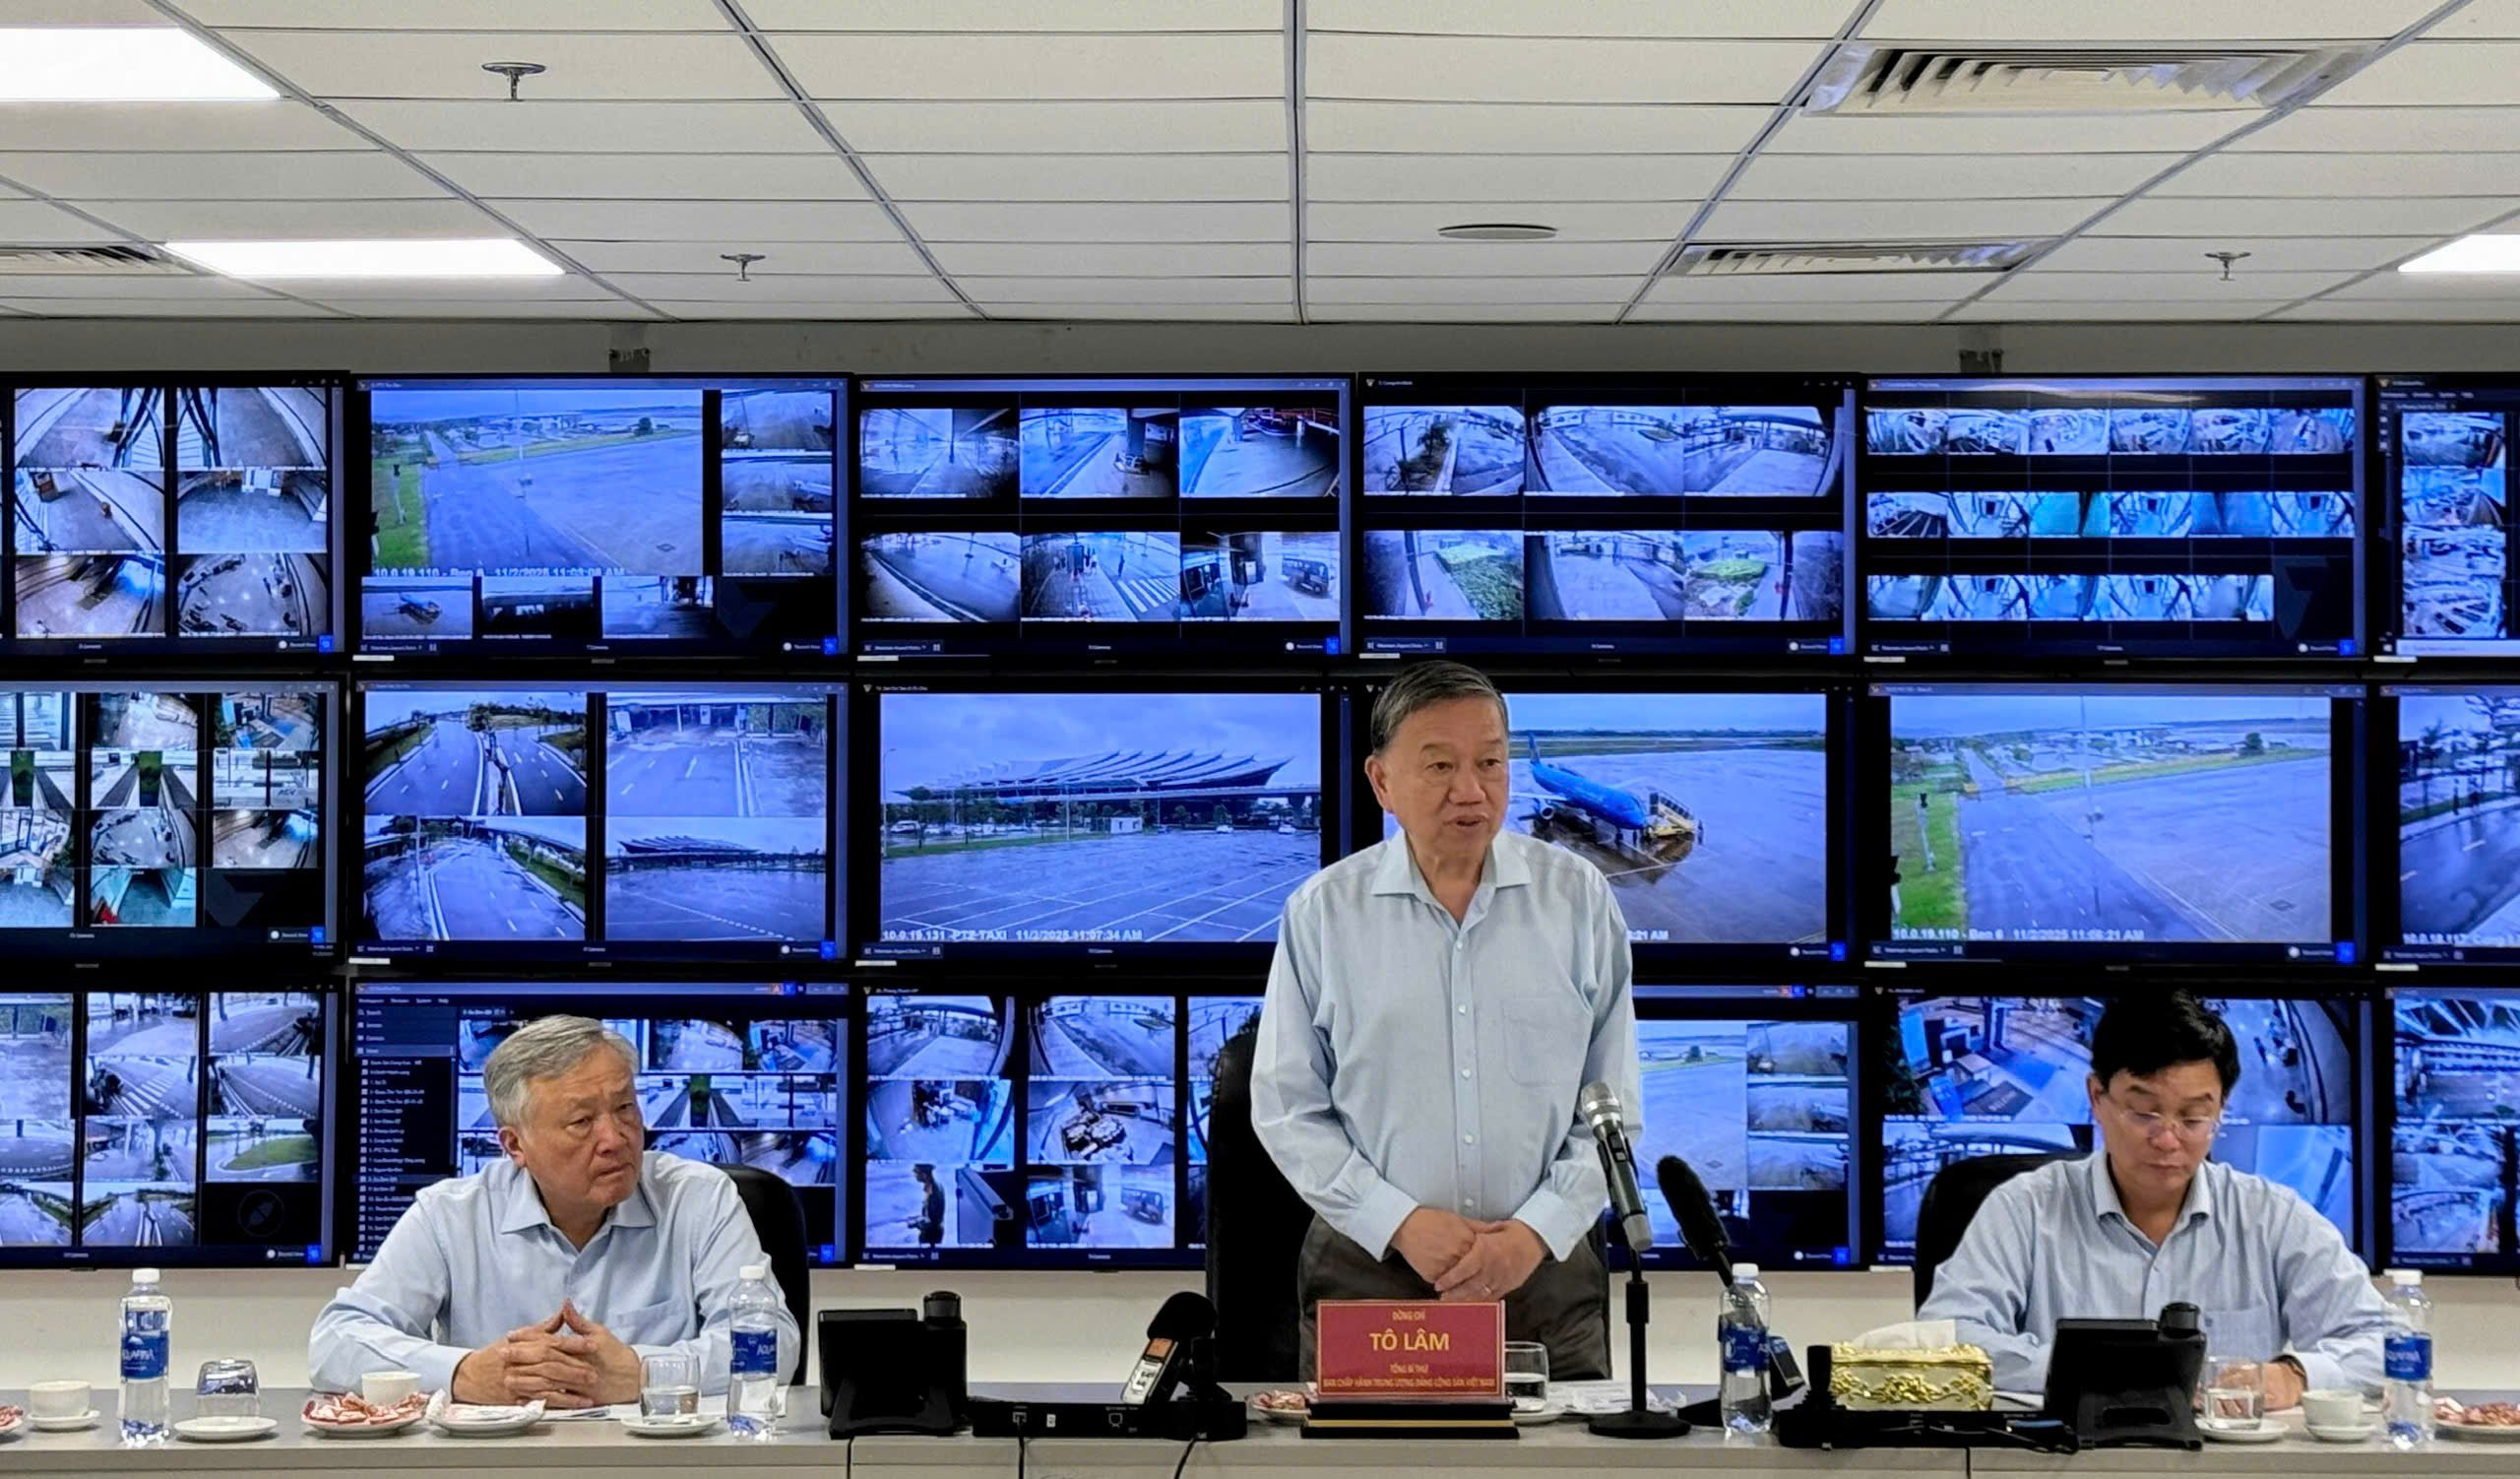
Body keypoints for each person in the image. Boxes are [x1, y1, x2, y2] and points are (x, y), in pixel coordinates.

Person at [1252, 661, 1637, 1381]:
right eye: (1440, 766)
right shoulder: (1323, 914)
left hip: (1543, 1275)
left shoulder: (1577, 899)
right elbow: (1285, 1107)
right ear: (1381, 782)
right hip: (1372, 1270)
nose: (1471, 790)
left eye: (1490, 762)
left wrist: (1532, 1233)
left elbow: (1612, 1107)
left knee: (1562, 1453)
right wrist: (1397, 1221)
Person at [1920, 993, 2389, 1404]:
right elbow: (1945, 1339)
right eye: (2144, 1112)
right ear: (2097, 1097)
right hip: (2068, 1461)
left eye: (2193, 1118)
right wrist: (2094, 1372)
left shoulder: (2273, 1218)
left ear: (2221, 1111)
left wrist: (2294, 1375)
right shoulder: (2024, 1208)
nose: (2167, 1140)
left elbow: (2389, 1344)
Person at [308, 1015, 798, 1403]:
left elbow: (775, 1342)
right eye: (582, 1121)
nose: (615, 1139)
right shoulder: (450, 1215)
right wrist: (462, 1373)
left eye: (625, 1108)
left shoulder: (698, 1197)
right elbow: (336, 1342)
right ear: (515, 1145)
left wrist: (643, 1372)